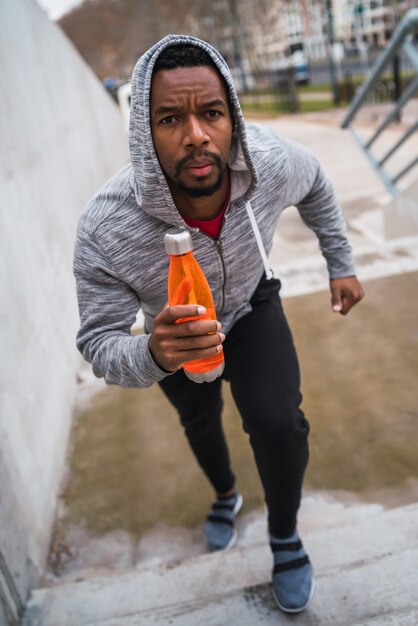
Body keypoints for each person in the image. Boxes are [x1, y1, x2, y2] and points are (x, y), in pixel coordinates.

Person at [73, 34, 364, 614]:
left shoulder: (271, 161)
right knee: (201, 424)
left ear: (232, 116)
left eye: (211, 113)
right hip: (175, 339)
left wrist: (342, 263)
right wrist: (152, 353)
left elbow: (319, 186)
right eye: (169, 118)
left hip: (252, 306)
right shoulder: (106, 228)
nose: (196, 135)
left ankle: (284, 537)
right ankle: (225, 495)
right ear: (142, 131)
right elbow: (98, 341)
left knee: (280, 423)